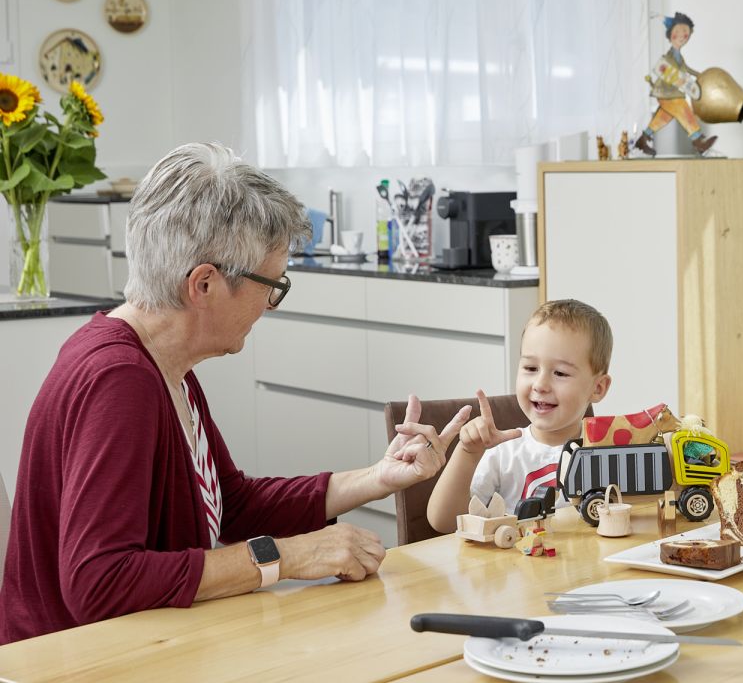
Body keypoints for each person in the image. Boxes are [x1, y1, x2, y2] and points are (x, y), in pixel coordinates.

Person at [0, 143, 469, 644]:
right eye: (272, 284)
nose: (271, 304)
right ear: (203, 284)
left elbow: (232, 502)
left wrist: (379, 477)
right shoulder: (121, 380)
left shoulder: (160, 361)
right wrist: (284, 557)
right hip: (75, 662)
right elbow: (99, 582)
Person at [426, 299, 612, 533]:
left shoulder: (610, 452)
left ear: (598, 388)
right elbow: (443, 522)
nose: (541, 384)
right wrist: (468, 453)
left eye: (561, 373)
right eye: (531, 368)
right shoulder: (503, 454)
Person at [633, 12, 718, 157]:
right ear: (670, 34)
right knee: (684, 110)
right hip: (667, 93)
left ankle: (642, 140)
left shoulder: (680, 57)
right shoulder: (668, 57)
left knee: (662, 118)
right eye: (678, 32)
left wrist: (699, 75)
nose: (681, 36)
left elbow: (686, 69)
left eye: (686, 33)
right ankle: (698, 142)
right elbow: (663, 69)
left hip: (672, 93)